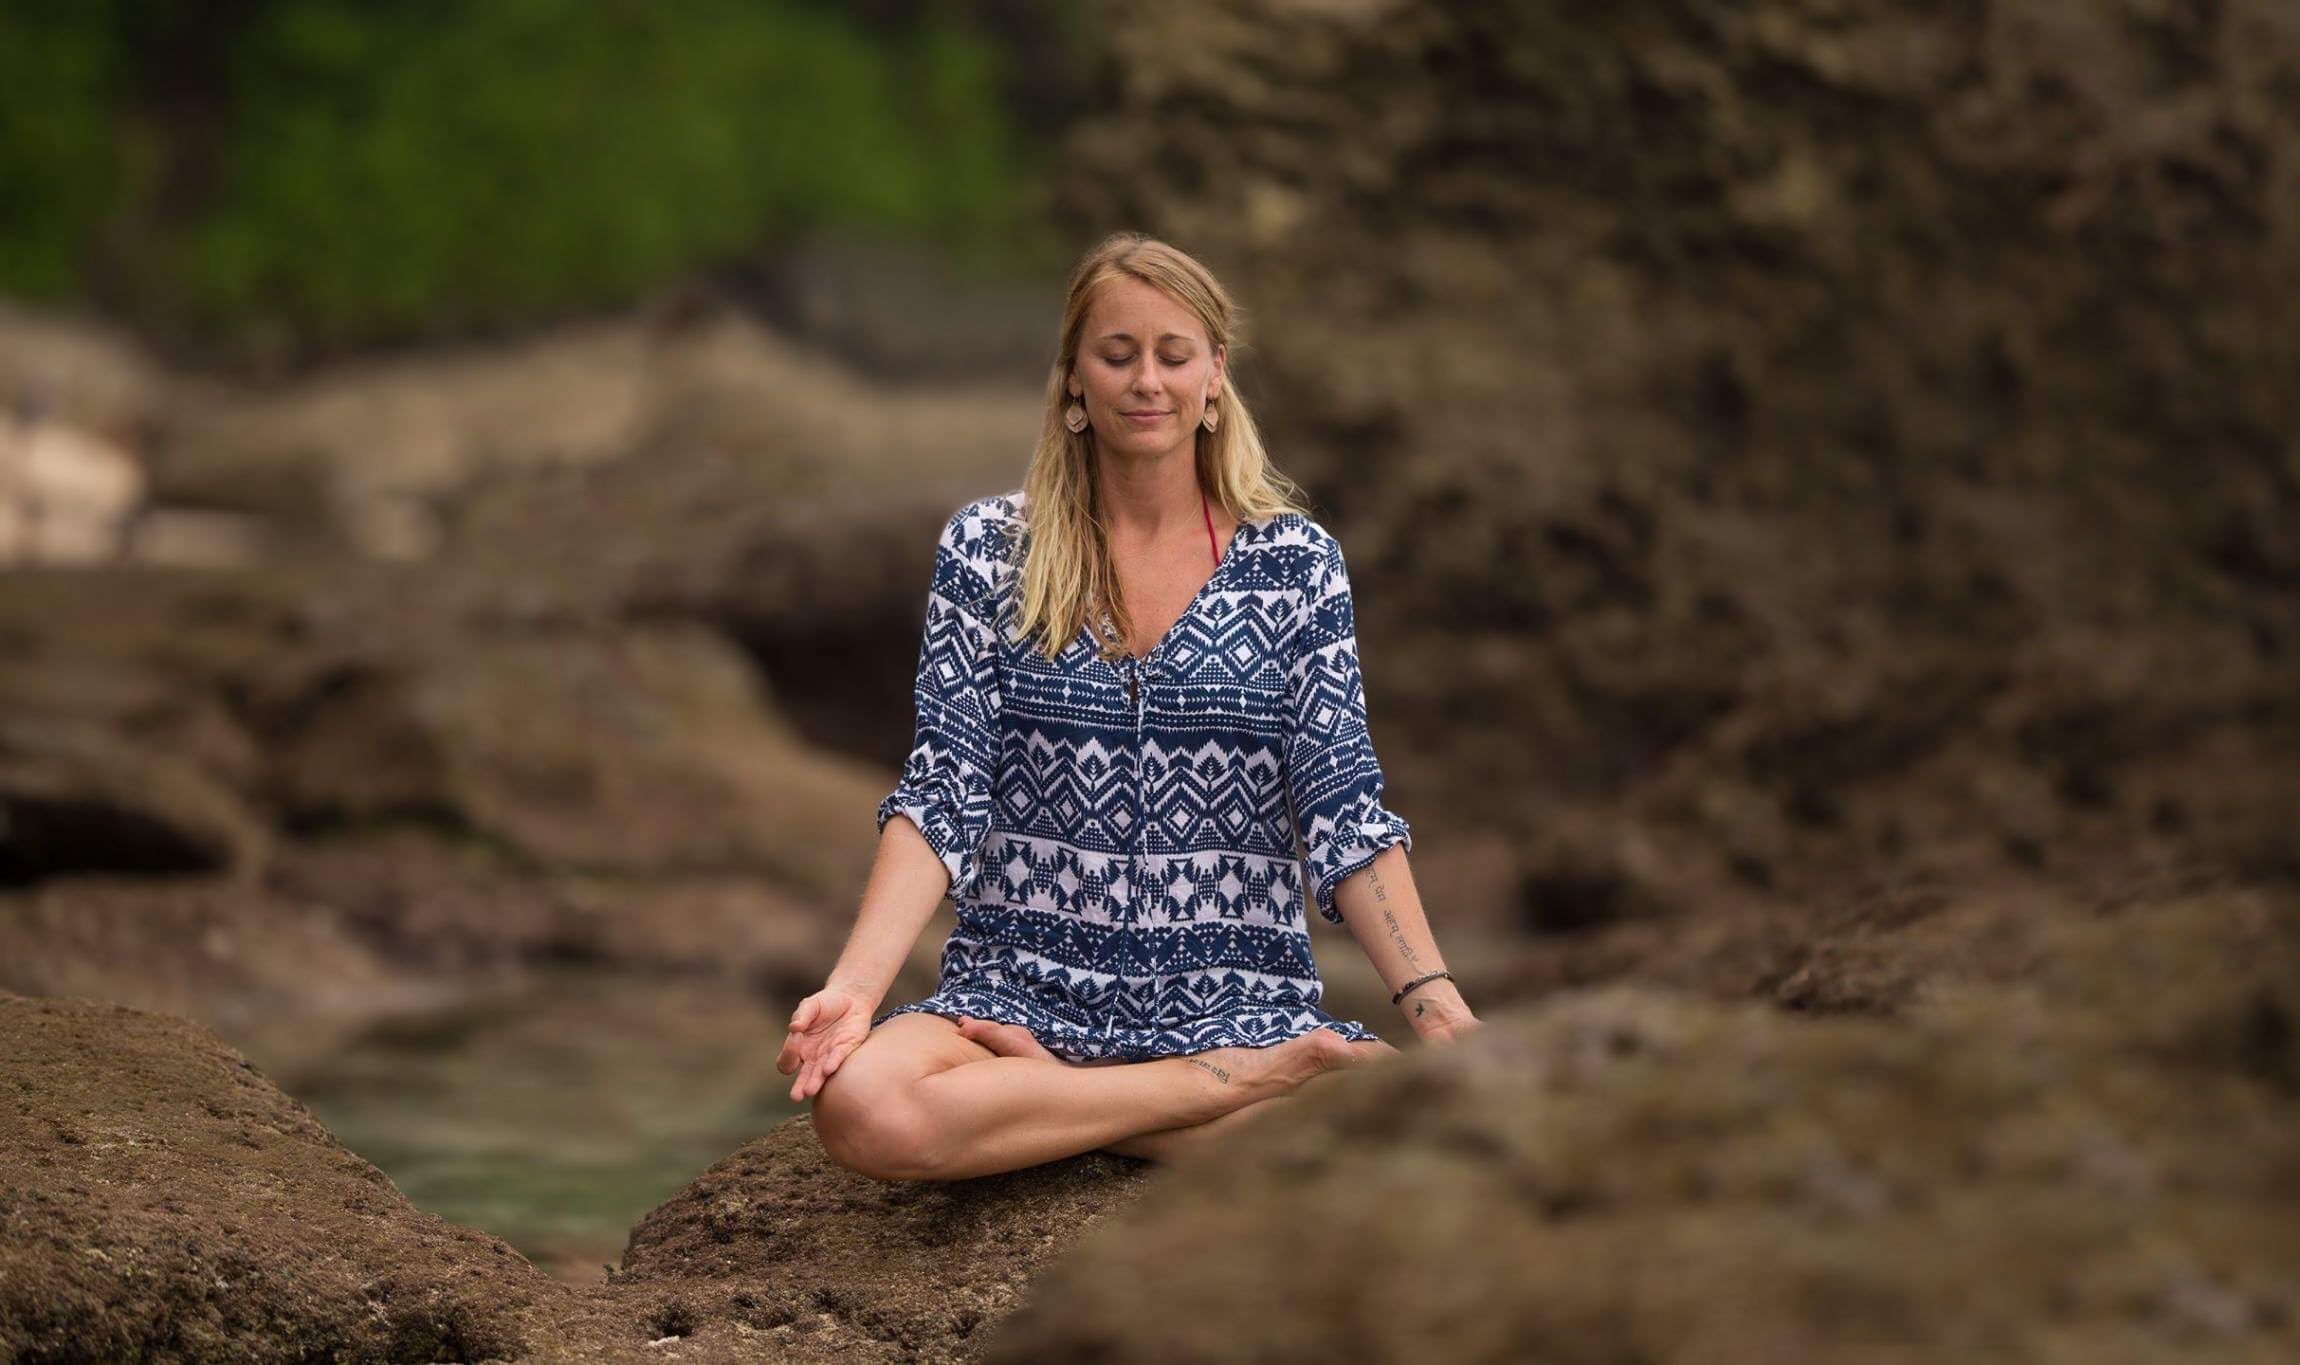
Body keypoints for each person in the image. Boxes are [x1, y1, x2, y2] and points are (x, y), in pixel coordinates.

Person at [778, 232, 1481, 1181]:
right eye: (1117, 355)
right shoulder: (991, 551)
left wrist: (1437, 1007)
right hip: (1013, 1000)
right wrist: (855, 993)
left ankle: (1077, 1107)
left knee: (1398, 1137)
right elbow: (942, 791)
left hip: (1238, 1000)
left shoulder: (1295, 565)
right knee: (862, 1106)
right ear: (1074, 379)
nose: (1147, 380)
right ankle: (1214, 1092)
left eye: (1173, 354)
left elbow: (1343, 810)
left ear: (1214, 376)